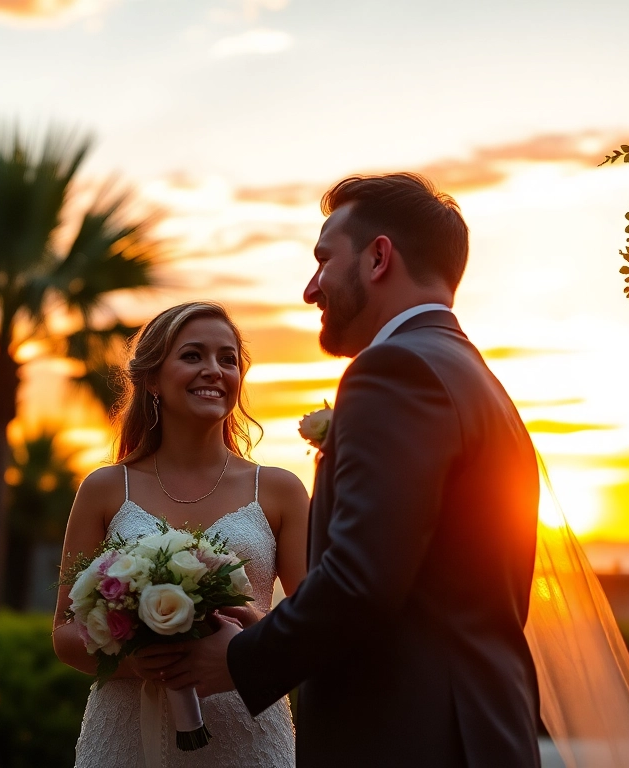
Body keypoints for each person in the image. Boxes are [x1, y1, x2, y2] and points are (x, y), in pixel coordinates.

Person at [146, 173, 542, 767]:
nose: (311, 289)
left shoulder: (395, 369)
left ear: (379, 257)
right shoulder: (474, 376)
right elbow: (422, 579)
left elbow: (362, 580)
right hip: (476, 732)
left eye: (323, 260)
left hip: (411, 738)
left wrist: (240, 657)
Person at [53, 301, 310, 767]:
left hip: (247, 735)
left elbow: (315, 623)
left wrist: (251, 645)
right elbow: (65, 631)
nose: (213, 370)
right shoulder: (106, 489)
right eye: (193, 355)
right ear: (152, 379)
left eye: (227, 359)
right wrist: (133, 662)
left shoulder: (279, 491)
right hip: (129, 735)